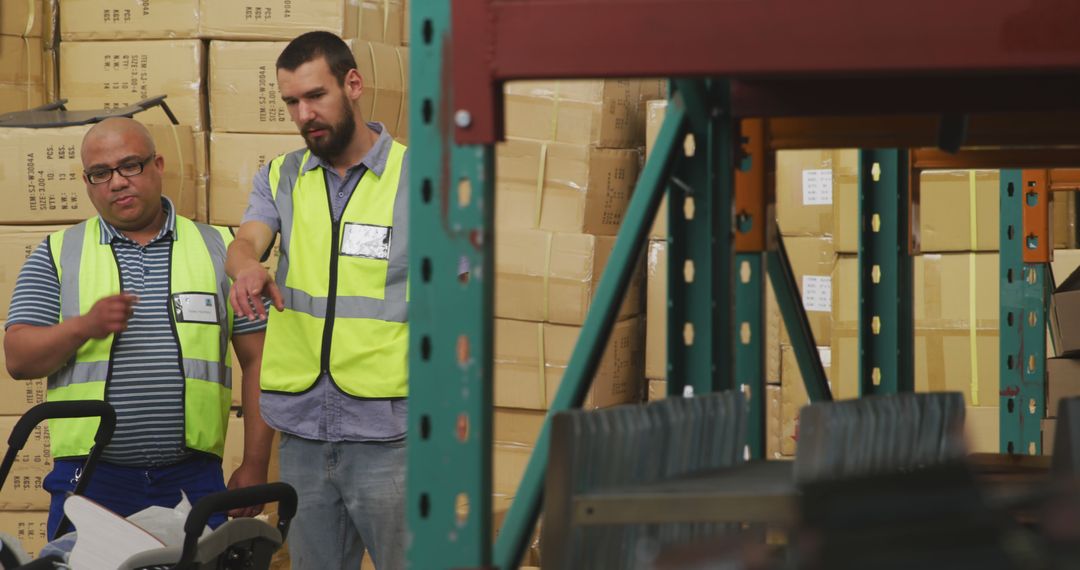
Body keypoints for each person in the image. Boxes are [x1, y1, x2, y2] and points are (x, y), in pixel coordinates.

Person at [3, 117, 275, 538]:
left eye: (130, 166)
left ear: (158, 165)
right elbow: (18, 358)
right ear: (87, 182)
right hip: (90, 478)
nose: (117, 182)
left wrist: (256, 463)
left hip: (194, 477)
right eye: (100, 173)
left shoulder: (219, 249)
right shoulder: (58, 255)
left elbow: (260, 360)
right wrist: (83, 328)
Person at [225, 31, 408, 569]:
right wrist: (247, 269)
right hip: (304, 432)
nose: (304, 114)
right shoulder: (282, 176)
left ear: (353, 84)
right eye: (291, 103)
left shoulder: (419, 180)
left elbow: (459, 306)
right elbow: (244, 242)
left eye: (315, 96)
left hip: (391, 434)